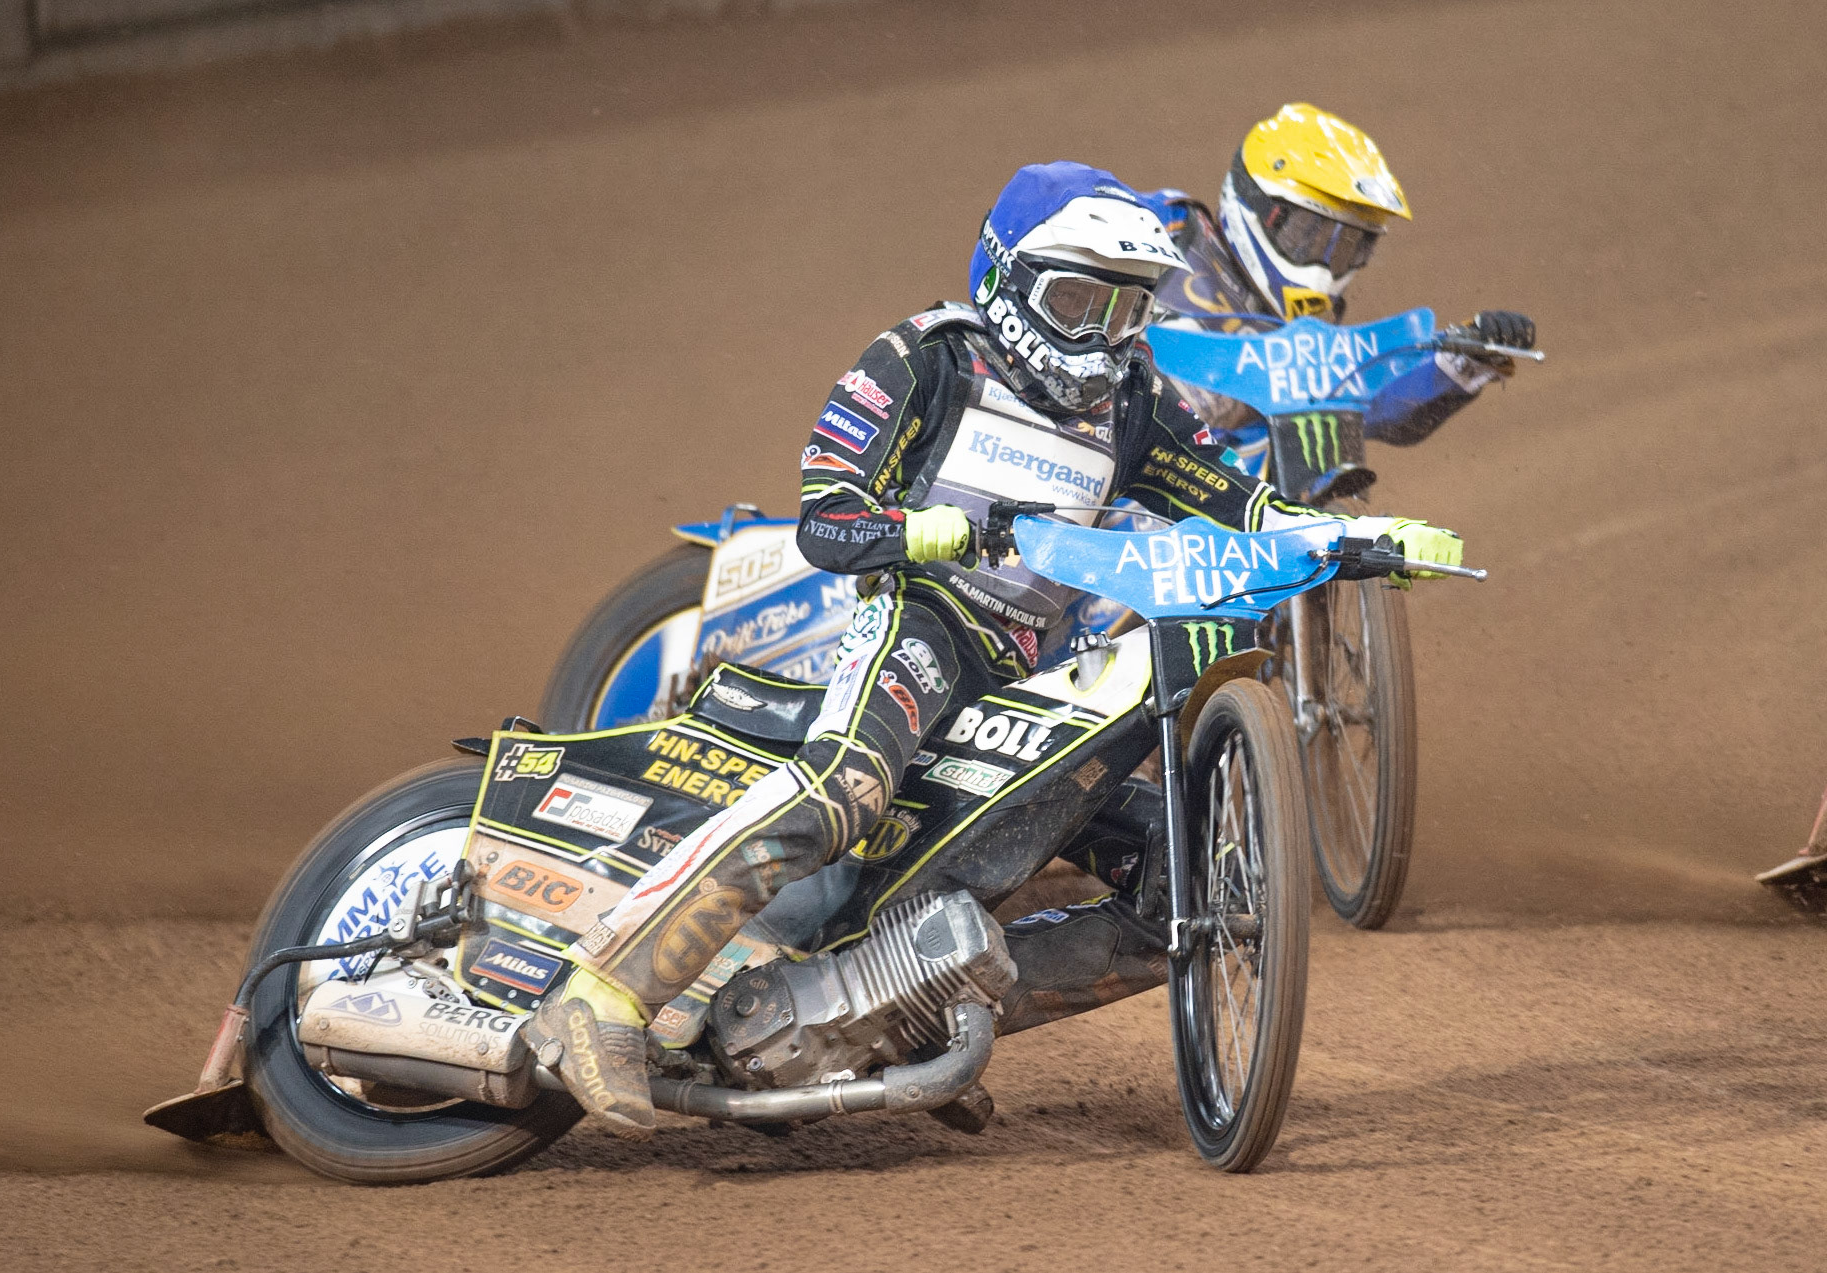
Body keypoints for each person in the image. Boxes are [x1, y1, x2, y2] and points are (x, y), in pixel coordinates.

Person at [527, 162, 1467, 1140]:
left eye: (1124, 305)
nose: (1099, 331)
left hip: (1039, 670)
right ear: (1008, 277)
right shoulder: (923, 358)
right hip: (923, 629)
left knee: (1183, 876)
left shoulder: (1133, 392)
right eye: (1074, 298)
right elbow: (826, 520)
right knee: (838, 789)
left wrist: (1360, 543)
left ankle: (901, 1019)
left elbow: (1239, 501)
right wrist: (919, 531)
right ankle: (599, 995)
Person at [1140, 102, 1535, 446]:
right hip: (1101, 449)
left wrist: (1457, 364)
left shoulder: (1310, 337)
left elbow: (1367, 402)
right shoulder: (1171, 228)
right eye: (1310, 235)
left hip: (1197, 505)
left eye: (1347, 246)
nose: (1324, 264)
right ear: (1262, 207)